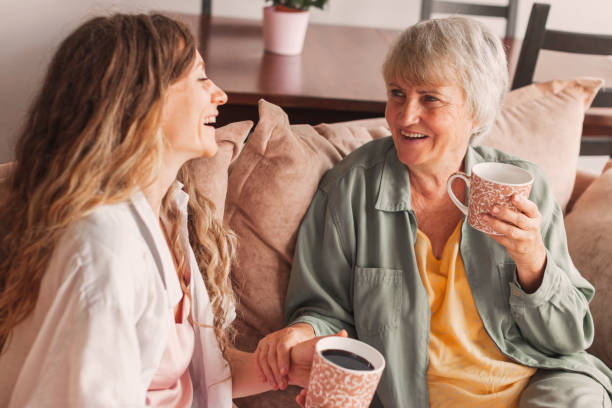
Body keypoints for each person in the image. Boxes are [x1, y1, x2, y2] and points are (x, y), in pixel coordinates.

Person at [254, 17, 612, 407]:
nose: (405, 117)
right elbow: (324, 310)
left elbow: (569, 339)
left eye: (430, 99)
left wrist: (532, 261)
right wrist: (300, 332)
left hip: (537, 384)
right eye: (397, 93)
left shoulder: (526, 190)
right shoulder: (350, 189)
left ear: (475, 110)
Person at [0, 13, 341, 408]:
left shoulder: (168, 212)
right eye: (200, 79)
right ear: (141, 101)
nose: (220, 95)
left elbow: (193, 376)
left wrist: (290, 369)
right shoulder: (103, 252)